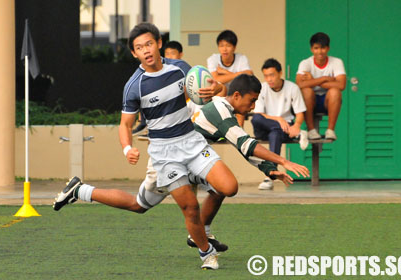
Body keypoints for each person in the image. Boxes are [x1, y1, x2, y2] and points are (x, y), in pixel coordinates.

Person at [53, 22, 237, 270]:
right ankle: (207, 252)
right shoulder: (134, 86)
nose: (146, 50)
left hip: (192, 143)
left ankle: (203, 229)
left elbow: (211, 89)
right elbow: (125, 125)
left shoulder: (181, 68)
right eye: (140, 48)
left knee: (228, 186)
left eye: (149, 44)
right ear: (134, 54)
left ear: (159, 43)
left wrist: (218, 87)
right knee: (186, 207)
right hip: (164, 154)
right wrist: (127, 148)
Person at [126, 74, 310, 252]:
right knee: (138, 205)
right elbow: (246, 144)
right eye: (252, 100)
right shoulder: (220, 110)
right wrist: (283, 161)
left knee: (223, 187)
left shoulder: (223, 108)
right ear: (237, 95)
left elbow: (242, 145)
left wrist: (270, 170)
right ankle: (95, 193)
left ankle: (202, 235)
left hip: (190, 161)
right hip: (168, 164)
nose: (253, 106)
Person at [251, 59, 307, 190]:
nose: (269, 79)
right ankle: (295, 134)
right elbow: (259, 114)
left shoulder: (292, 88)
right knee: (256, 118)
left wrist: (297, 126)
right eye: (266, 76)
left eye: (272, 75)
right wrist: (278, 119)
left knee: (275, 133)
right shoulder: (262, 88)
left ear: (280, 73)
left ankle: (270, 177)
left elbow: (300, 113)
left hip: (282, 129)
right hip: (265, 127)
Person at [295, 32, 346, 140]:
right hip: (310, 101)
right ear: (311, 49)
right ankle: (311, 130)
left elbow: (341, 85)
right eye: (316, 48)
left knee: (335, 91)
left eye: (322, 48)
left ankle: (330, 130)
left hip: (328, 102)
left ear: (328, 48)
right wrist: (324, 78)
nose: (319, 52)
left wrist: (312, 80)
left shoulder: (336, 62)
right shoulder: (305, 63)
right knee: (306, 91)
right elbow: (299, 84)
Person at [207, 30, 253, 127]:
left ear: (234, 47)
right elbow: (215, 79)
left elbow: (249, 75)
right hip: (219, 95)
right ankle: (220, 128)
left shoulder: (241, 58)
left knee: (240, 96)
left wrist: (224, 72)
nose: (224, 49)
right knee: (221, 87)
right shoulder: (213, 59)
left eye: (228, 45)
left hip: (236, 95)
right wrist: (237, 74)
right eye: (221, 46)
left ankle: (240, 133)